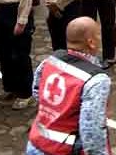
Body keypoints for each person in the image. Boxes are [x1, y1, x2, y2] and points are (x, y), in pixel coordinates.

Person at [26, 17, 111, 155]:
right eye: (98, 34)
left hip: (36, 143)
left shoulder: (50, 61)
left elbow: (36, 91)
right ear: (91, 42)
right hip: (63, 150)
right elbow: (91, 129)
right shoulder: (97, 79)